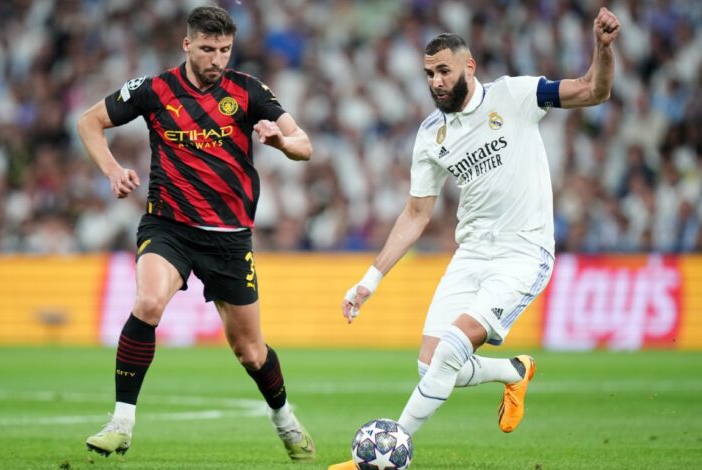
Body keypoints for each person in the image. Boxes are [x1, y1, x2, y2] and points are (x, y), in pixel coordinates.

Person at [329, 7, 620, 470]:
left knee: (451, 349)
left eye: (443, 71)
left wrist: (602, 49)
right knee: (431, 364)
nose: (435, 82)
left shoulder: (515, 95)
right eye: (428, 74)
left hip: (523, 253)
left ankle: (387, 456)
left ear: (469, 67)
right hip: (472, 255)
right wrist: (370, 279)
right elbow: (416, 212)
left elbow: (594, 90)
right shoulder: (431, 135)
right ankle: (514, 371)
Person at [77, 5, 315, 462]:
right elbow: (90, 121)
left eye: (224, 49)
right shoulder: (154, 89)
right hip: (169, 226)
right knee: (147, 303)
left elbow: (303, 144)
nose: (217, 59)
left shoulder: (247, 91)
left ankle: (284, 419)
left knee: (250, 352)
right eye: (208, 49)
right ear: (187, 44)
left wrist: (281, 142)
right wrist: (111, 170)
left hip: (228, 236)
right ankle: (121, 423)